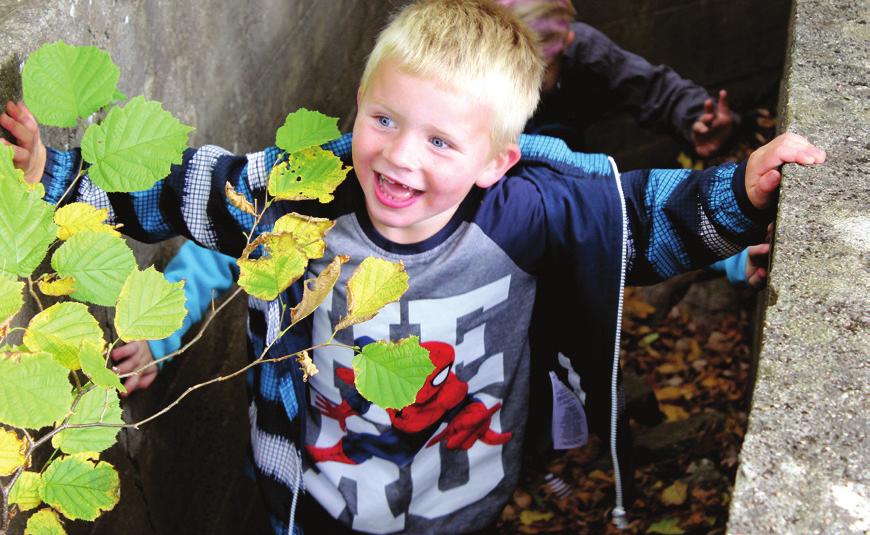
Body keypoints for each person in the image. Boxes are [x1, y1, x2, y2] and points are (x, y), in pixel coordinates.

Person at [2, 1, 825, 532]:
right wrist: (62, 175)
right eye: (383, 118)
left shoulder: (526, 213)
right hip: (320, 498)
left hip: (462, 494)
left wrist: (738, 194)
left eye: (440, 140)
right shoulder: (306, 195)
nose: (399, 156)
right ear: (355, 108)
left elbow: (639, 219)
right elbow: (189, 188)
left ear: (496, 160)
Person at [498, 0, 737, 157]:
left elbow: (650, 88)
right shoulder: (471, 89)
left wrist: (693, 116)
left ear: (565, 43)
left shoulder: (583, 54)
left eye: (535, 76)